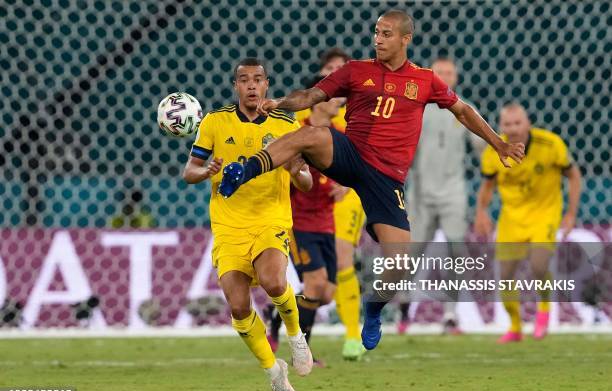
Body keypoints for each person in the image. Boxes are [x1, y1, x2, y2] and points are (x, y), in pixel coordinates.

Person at [217, 10, 525, 351]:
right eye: (376, 32)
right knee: (312, 134)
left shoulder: (424, 80)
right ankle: (245, 171)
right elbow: (309, 97)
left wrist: (498, 143)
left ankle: (374, 309)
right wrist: (278, 103)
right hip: (350, 154)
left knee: (399, 264)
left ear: (405, 39)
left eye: (387, 33)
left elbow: (463, 110)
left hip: (386, 179)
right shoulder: (356, 71)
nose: (378, 38)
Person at [182, 57, 314, 391]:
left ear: (267, 85)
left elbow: (307, 182)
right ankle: (275, 372)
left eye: (258, 79)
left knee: (273, 281)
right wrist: (207, 170)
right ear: (236, 86)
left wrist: (297, 170)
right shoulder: (214, 122)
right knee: (238, 307)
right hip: (228, 227)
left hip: (270, 219)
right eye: (244, 80)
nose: (251, 85)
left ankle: (296, 335)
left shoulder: (288, 124)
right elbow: (189, 172)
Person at [475, 103, 582, 343]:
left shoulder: (551, 144)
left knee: (539, 264)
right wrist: (481, 211)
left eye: (517, 123)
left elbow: (574, 175)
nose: (512, 129)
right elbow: (487, 185)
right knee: (505, 275)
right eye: (507, 124)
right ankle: (515, 327)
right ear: (501, 126)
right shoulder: (493, 150)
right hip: (512, 217)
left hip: (545, 212)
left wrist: (571, 213)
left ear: (528, 124)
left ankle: (544, 308)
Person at [397, 56, 486, 335]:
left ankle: (449, 315)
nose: (445, 77)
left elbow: (482, 147)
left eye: (450, 73)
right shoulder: (416, 109)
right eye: (440, 73)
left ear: (456, 78)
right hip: (421, 193)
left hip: (453, 192)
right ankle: (402, 308)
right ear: (430, 77)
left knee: (456, 253)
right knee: (411, 255)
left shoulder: (463, 110)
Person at [268, 90, 346, 367]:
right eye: (336, 97)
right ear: (319, 103)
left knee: (326, 294)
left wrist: (345, 185)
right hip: (299, 222)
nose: (340, 101)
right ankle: (304, 354)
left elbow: (351, 171)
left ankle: (277, 315)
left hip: (326, 222)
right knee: (315, 284)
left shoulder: (338, 134)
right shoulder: (297, 133)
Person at [298, 47, 367, 360]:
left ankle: (353, 336)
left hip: (346, 194)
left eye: (341, 69)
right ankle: (299, 335)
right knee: (324, 285)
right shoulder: (304, 115)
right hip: (312, 202)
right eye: (330, 69)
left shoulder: (361, 111)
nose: (335, 75)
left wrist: (349, 181)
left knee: (341, 264)